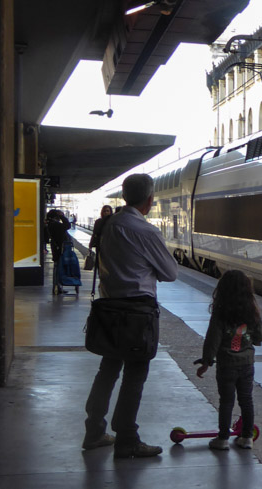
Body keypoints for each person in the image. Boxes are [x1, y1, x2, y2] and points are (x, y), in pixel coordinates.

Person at [82, 174, 178, 458]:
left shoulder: (108, 224)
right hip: (137, 313)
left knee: (108, 371)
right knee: (135, 375)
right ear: (149, 200)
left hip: (109, 308)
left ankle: (94, 431)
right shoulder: (146, 231)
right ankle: (127, 438)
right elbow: (171, 273)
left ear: (124, 196)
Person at [195, 270, 262, 450]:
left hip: (227, 365)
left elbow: (213, 339)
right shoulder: (252, 312)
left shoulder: (220, 313)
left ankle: (223, 439)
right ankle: (247, 437)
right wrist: (252, 340)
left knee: (226, 401)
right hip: (247, 364)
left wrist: (206, 362)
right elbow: (261, 335)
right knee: (246, 400)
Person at [45, 209, 71, 294]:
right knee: (58, 268)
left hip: (56, 248)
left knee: (57, 267)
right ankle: (57, 287)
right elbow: (67, 225)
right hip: (59, 249)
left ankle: (57, 286)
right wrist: (62, 216)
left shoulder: (50, 224)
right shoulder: (55, 224)